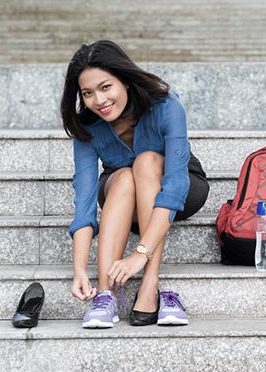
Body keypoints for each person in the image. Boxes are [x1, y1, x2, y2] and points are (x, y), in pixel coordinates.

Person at [60, 40, 209, 328]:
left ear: (125, 81)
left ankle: (150, 283)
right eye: (87, 93)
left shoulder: (167, 106)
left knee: (146, 161)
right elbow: (86, 200)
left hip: (180, 187)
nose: (99, 101)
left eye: (106, 87)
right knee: (127, 174)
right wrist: (79, 269)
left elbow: (175, 185)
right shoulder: (86, 128)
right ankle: (105, 294)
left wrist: (139, 255)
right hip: (122, 193)